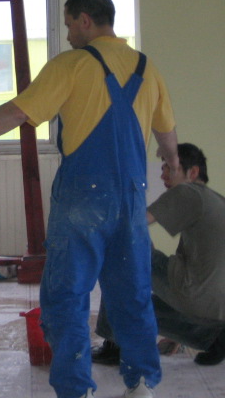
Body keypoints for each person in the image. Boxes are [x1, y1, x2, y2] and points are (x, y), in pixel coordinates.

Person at [0, 0, 179, 398]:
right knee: (133, 294)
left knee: (67, 295)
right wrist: (175, 166)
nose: (68, 35)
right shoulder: (147, 69)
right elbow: (166, 133)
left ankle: (77, 390)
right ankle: (142, 385)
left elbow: (17, 112)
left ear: (85, 21)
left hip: (82, 200)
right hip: (131, 202)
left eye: (69, 25)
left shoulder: (71, 64)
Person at [92, 143, 225, 367]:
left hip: (195, 292)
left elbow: (131, 225)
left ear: (193, 172)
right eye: (163, 167)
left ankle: (114, 347)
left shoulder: (187, 191)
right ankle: (213, 337)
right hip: (217, 308)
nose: (163, 174)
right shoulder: (216, 200)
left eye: (170, 168)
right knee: (140, 305)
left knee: (118, 253)